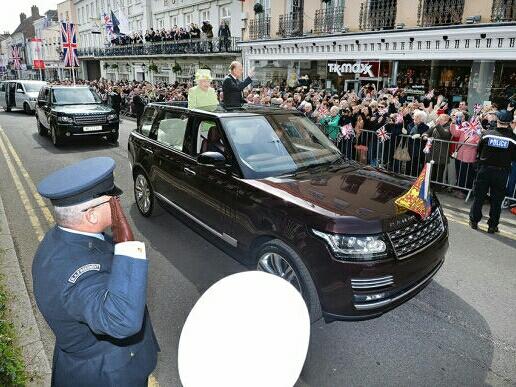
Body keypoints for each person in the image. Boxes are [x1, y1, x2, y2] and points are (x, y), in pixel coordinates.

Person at [32, 157, 159, 386]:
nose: (118, 202)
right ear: (90, 215)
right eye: (112, 200)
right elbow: (122, 319)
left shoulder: (61, 238)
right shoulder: (77, 276)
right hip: (107, 374)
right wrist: (126, 245)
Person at [469, 110, 516, 233]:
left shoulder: (487, 134)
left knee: (479, 196)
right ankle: (492, 225)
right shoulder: (513, 139)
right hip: (501, 173)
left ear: (498, 121)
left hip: (484, 170)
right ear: (509, 123)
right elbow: (514, 157)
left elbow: (479, 150)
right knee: (497, 200)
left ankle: (474, 221)